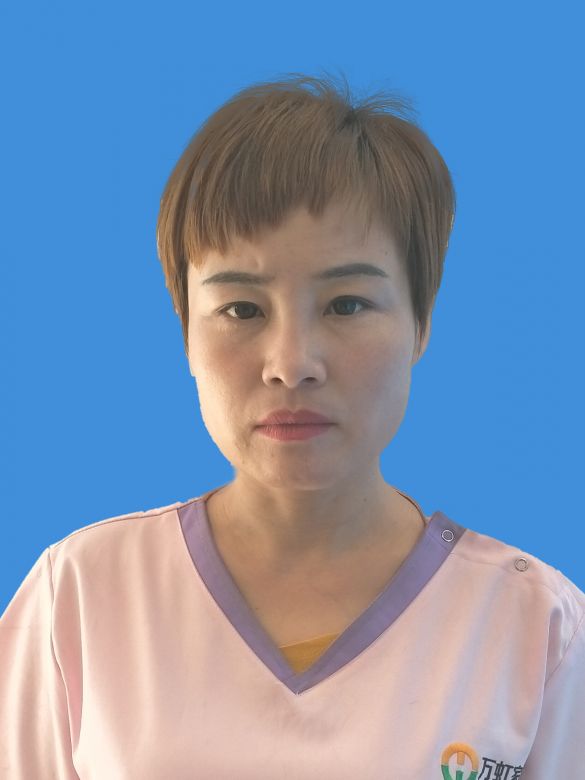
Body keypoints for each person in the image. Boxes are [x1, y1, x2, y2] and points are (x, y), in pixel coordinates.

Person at [1, 71, 583, 779]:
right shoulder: (80, 595)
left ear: (422, 323)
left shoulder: (537, 625)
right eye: (241, 310)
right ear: (186, 333)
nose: (291, 364)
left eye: (347, 305)